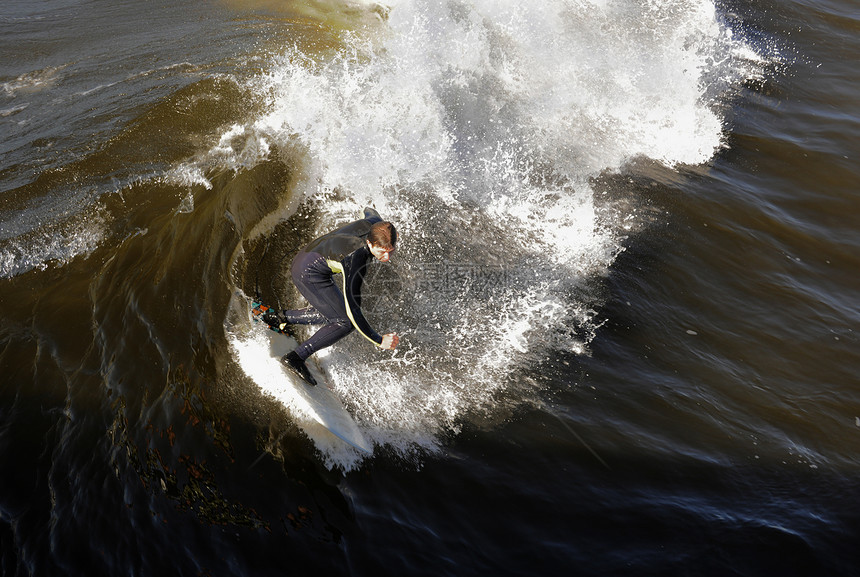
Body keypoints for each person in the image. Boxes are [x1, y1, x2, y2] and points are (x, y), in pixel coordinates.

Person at [270, 207, 400, 385]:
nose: (388, 256)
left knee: (334, 312)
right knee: (345, 321)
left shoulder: (376, 224)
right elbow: (353, 307)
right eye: (382, 251)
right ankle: (295, 358)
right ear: (369, 243)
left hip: (309, 254)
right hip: (307, 272)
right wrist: (378, 340)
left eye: (391, 250)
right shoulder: (356, 258)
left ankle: (280, 318)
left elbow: (368, 210)